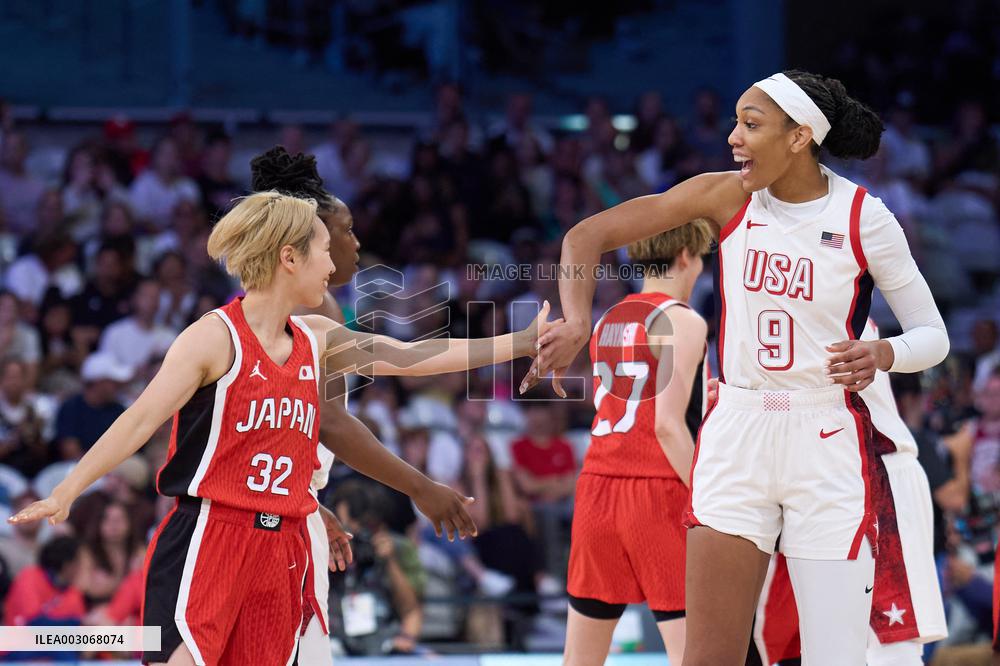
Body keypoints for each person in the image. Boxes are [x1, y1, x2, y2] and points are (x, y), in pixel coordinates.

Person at [10, 191, 550, 665]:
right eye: (321, 250)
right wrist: (68, 489)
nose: (330, 265)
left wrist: (518, 344)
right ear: (288, 258)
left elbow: (410, 355)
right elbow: (139, 419)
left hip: (284, 544)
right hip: (211, 535)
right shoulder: (214, 338)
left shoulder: (316, 335)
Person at [528, 70, 950, 665]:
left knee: (833, 656)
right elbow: (585, 235)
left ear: (800, 136)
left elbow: (934, 336)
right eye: (735, 122)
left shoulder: (864, 216)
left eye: (751, 125)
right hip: (737, 429)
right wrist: (575, 319)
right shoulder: (727, 195)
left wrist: (885, 353)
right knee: (708, 657)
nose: (734, 137)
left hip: (824, 434)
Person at [248, 145, 562, 665]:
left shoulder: (285, 307)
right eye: (342, 232)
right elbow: (344, 414)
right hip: (252, 527)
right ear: (306, 241)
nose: (355, 243)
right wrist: (420, 486)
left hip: (275, 512)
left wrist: (307, 501)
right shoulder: (303, 310)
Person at [730, 320, 947, 665]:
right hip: (811, 482)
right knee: (806, 642)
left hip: (874, 473)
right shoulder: (770, 307)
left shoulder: (839, 312)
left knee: (890, 645)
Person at [562, 220, 712, 666]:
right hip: (657, 489)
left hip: (597, 489)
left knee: (580, 659)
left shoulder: (608, 317)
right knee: (691, 656)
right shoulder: (683, 320)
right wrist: (709, 497)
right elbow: (667, 424)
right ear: (685, 255)